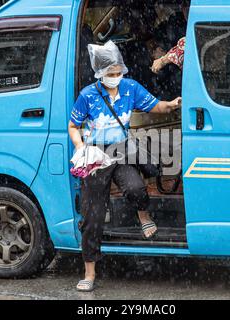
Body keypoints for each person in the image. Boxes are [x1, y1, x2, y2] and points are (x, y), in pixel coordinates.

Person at [69, 41, 182, 292]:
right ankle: (90, 272)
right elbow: (73, 126)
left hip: (121, 151)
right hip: (96, 155)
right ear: (100, 73)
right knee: (92, 217)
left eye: (119, 72)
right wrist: (80, 148)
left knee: (136, 188)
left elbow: (156, 106)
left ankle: (143, 214)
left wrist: (172, 105)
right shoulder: (88, 95)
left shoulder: (130, 88)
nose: (116, 77)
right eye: (111, 73)